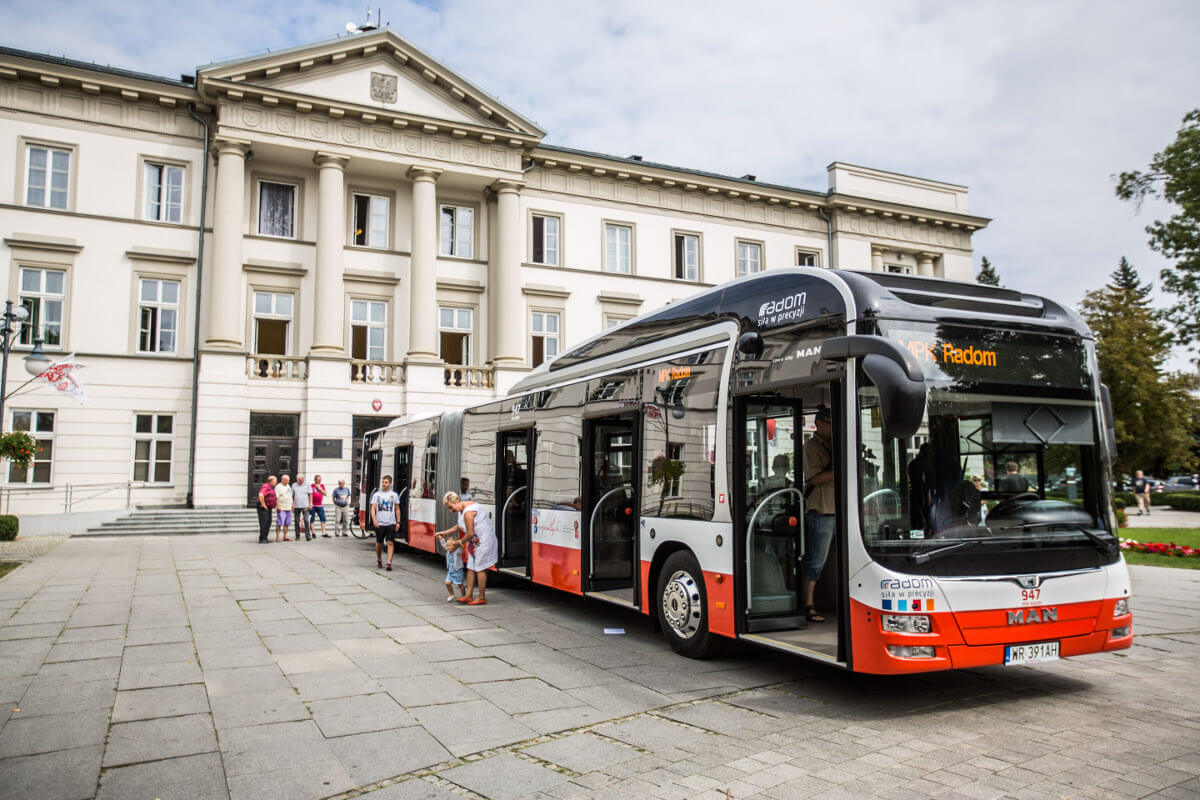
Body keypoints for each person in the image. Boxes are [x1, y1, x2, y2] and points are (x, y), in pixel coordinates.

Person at [801, 405, 835, 623]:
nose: (832, 428)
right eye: (830, 424)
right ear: (819, 424)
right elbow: (814, 478)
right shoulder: (810, 447)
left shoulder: (836, 444)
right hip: (821, 510)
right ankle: (808, 603)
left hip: (840, 509)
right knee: (816, 560)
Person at [442, 490, 498, 605]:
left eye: (451, 507)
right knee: (471, 567)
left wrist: (459, 543)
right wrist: (445, 532)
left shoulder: (468, 512)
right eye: (448, 508)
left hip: (484, 541)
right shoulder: (461, 510)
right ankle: (468, 595)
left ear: (456, 500)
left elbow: (470, 533)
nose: (451, 510)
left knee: (480, 568)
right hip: (475, 542)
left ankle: (481, 597)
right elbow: (460, 525)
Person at [371, 475, 401, 570]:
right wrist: (374, 520)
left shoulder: (394, 495)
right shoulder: (377, 495)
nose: (384, 484)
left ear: (390, 484)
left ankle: (389, 563)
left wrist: (398, 522)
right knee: (379, 542)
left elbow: (397, 509)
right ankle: (379, 560)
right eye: (383, 482)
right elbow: (373, 509)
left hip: (391, 522)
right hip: (380, 523)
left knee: (390, 542)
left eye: (386, 482)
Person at [433, 528, 467, 601]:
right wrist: (440, 538)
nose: (447, 547)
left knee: (460, 584)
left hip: (458, 571)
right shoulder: (448, 551)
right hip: (451, 571)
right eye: (447, 545)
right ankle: (452, 594)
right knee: (447, 583)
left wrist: (458, 543)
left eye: (450, 545)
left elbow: (461, 546)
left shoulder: (458, 551)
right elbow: (443, 544)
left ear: (455, 546)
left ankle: (464, 596)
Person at [256, 475, 277, 543]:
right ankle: (262, 538)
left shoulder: (271, 487)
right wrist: (263, 504)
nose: (276, 483)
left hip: (269, 507)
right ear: (271, 481)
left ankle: (265, 537)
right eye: (275, 481)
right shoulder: (266, 486)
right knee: (264, 522)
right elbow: (261, 494)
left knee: (268, 522)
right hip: (263, 507)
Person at [275, 475, 294, 542]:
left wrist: (292, 504)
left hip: (288, 507)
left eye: (288, 480)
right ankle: (277, 537)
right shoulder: (278, 487)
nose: (288, 481)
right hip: (282, 507)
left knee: (287, 523)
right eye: (287, 480)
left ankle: (285, 536)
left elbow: (290, 496)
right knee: (279, 523)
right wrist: (278, 506)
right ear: (283, 480)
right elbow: (276, 497)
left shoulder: (288, 486)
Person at [293, 475, 312, 541]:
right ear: (297, 479)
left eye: (301, 480)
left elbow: (310, 495)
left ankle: (308, 535)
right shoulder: (294, 485)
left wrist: (310, 504)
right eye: (299, 480)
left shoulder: (307, 485)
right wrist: (292, 504)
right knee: (296, 521)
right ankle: (297, 536)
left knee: (306, 521)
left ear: (303, 479)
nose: (300, 481)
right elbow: (292, 495)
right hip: (296, 505)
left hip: (305, 505)